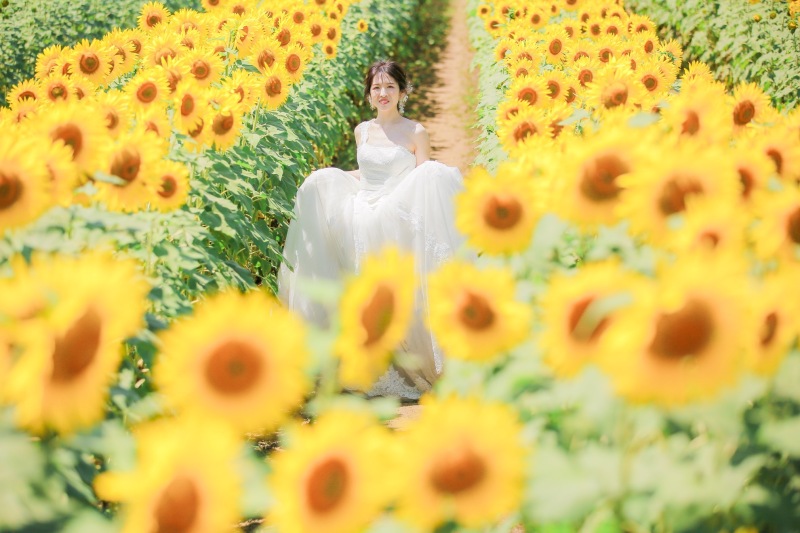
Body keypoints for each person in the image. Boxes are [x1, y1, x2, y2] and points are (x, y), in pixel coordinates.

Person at [277, 59, 467, 400]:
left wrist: (396, 202)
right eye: (376, 88)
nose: (383, 93)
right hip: (363, 207)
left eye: (389, 87)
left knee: (433, 177)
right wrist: (327, 179)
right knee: (320, 184)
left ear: (402, 92)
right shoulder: (363, 130)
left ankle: (413, 357)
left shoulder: (415, 132)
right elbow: (365, 175)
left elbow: (422, 179)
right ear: (368, 94)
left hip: (395, 208)